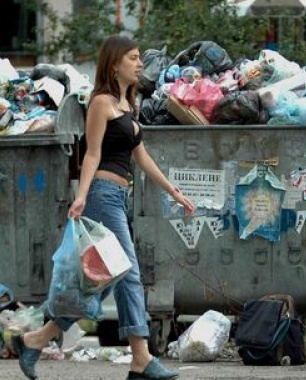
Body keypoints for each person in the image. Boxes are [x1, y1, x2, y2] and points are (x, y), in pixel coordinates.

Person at [12, 35, 195, 380]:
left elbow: (140, 156)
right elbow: (92, 153)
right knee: (128, 272)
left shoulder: (128, 104)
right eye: (133, 58)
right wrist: (81, 196)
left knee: (99, 284)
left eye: (140, 57)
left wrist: (173, 190)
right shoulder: (100, 103)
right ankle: (141, 357)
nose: (140, 63)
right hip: (100, 195)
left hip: (117, 198)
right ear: (114, 64)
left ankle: (35, 339)